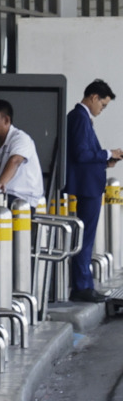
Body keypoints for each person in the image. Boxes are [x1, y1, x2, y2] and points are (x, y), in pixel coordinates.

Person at [65, 79, 123, 302]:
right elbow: (81, 153)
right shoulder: (79, 117)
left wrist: (105, 162)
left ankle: (84, 283)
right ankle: (82, 286)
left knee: (86, 236)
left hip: (89, 183)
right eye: (103, 104)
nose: (102, 109)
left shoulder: (81, 117)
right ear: (93, 97)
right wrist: (107, 154)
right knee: (86, 237)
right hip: (86, 187)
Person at [0, 99, 44, 208]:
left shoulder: (21, 139)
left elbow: (15, 161)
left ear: (6, 120)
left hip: (23, 199)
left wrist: (1, 183)